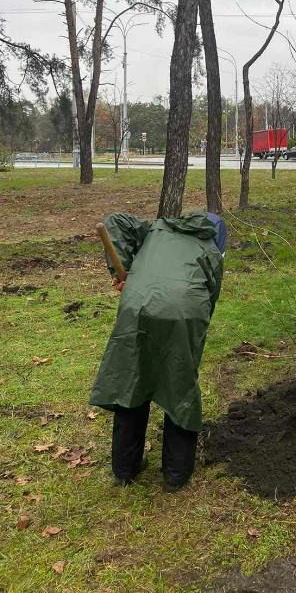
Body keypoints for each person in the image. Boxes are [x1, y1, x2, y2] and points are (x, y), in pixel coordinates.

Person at [90, 210, 227, 492]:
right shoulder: (211, 249)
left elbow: (115, 221)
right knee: (179, 382)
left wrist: (122, 267)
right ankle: (176, 476)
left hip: (137, 305)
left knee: (132, 374)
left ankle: (124, 470)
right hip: (184, 312)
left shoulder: (157, 229)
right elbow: (210, 299)